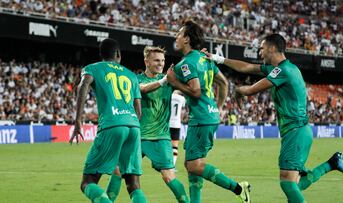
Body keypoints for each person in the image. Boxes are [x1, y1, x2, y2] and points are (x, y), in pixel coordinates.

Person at [203, 33, 343, 202]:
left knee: (287, 184)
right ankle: (333, 163)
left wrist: (239, 91)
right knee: (294, 183)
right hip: (297, 132)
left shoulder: (284, 71)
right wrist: (217, 58)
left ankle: (333, 163)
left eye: (262, 48)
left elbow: (251, 90)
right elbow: (246, 67)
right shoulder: (282, 68)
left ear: (272, 48)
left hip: (295, 131)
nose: (259, 52)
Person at [166, 19, 251, 203]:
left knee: (193, 165)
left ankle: (238, 189)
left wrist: (174, 82)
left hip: (201, 118)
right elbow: (223, 83)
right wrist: (218, 108)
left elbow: (195, 91)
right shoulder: (206, 58)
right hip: (208, 115)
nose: (176, 37)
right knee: (192, 164)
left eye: (180, 34)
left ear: (187, 39)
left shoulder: (186, 63)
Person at [70, 38, 147, 203]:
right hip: (134, 127)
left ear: (101, 54)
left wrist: (78, 120)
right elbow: (139, 111)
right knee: (134, 185)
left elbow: (83, 85)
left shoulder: (93, 68)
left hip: (112, 124)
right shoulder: (131, 75)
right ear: (118, 54)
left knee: (88, 182)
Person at [137, 46, 189, 202]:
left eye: (163, 61)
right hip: (138, 136)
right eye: (156, 60)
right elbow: (143, 89)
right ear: (146, 61)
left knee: (168, 177)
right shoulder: (136, 79)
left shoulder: (170, 81)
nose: (161, 64)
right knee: (121, 173)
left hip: (160, 136)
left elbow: (189, 87)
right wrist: (165, 79)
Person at [169, 90, 186, 166]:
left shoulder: (169, 96)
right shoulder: (182, 99)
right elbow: (183, 107)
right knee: (175, 146)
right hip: (176, 124)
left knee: (165, 143)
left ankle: (165, 163)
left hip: (167, 123)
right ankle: (173, 165)